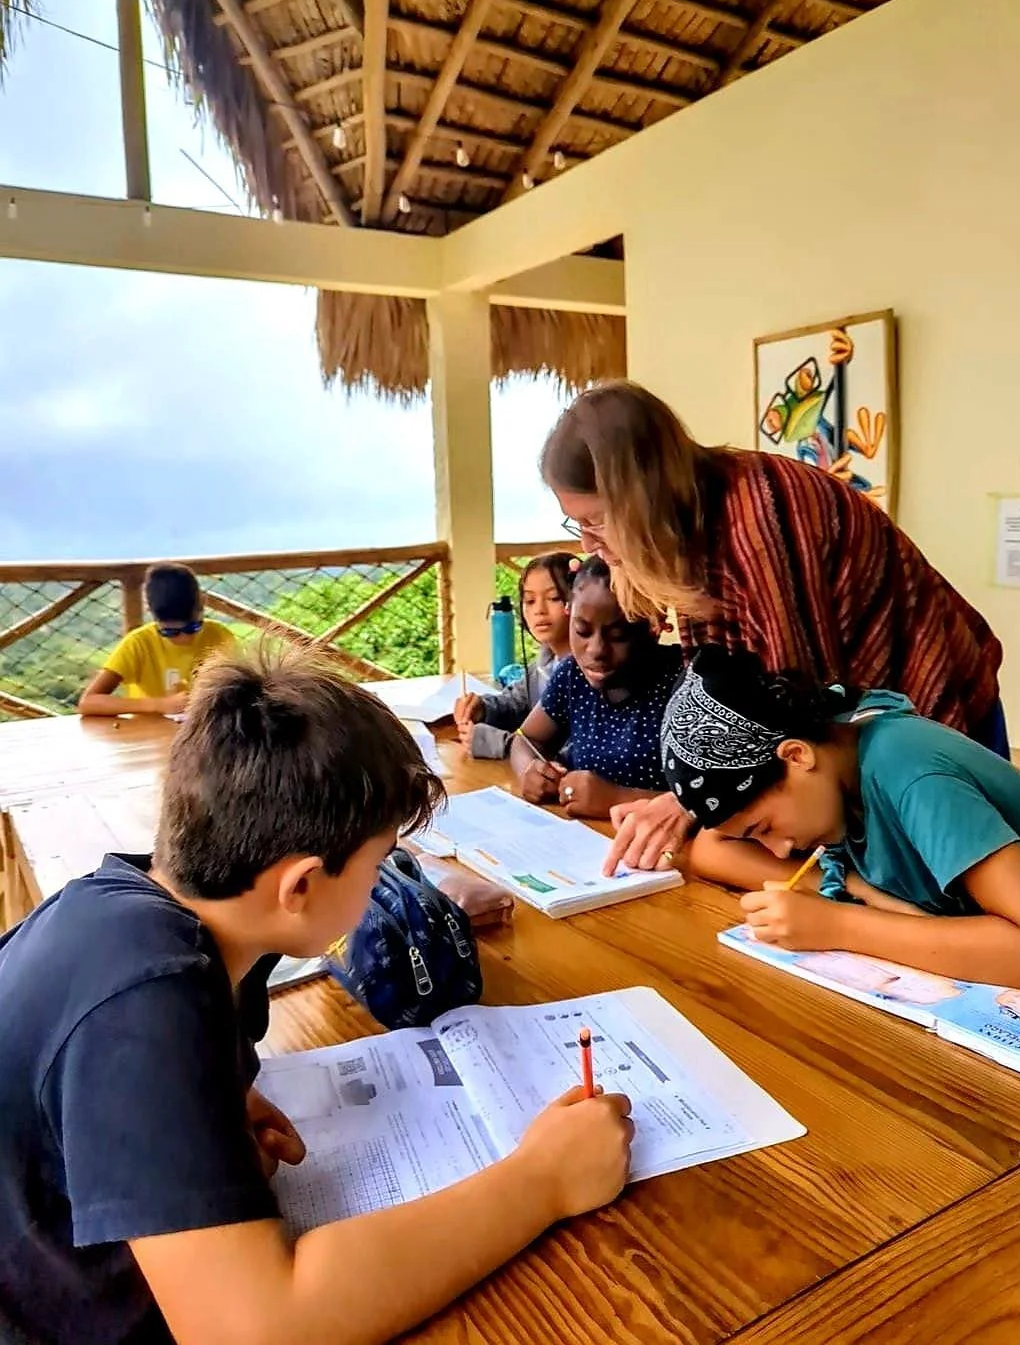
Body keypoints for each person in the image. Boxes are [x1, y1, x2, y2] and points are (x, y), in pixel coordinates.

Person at [0, 643, 633, 1345]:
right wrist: (543, 1181)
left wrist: (206, 1106)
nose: (380, 884)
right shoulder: (145, 1003)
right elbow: (257, 1329)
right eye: (376, 863)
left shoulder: (128, 905)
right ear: (299, 886)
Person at [539, 382, 1006, 872]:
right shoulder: (691, 531)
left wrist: (691, 802)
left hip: (924, 704)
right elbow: (720, 691)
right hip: (847, 736)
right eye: (578, 526)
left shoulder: (759, 521)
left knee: (954, 885)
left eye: (597, 522)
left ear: (642, 499)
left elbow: (796, 707)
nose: (589, 545)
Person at [658, 647, 1020, 991]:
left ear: (795, 755)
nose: (780, 850)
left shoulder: (911, 771)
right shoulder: (837, 759)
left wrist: (837, 924)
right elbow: (711, 848)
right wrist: (850, 885)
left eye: (764, 828)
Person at [510, 556, 683, 820]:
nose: (596, 650)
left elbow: (717, 801)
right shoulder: (573, 675)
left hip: (667, 853)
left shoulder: (682, 682)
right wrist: (530, 770)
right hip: (585, 841)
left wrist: (618, 798)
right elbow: (526, 738)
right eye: (582, 631)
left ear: (654, 627)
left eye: (618, 636)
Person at [454, 552, 577, 759]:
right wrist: (483, 709)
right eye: (529, 600)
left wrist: (500, 744)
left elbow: (571, 753)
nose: (539, 610)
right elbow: (517, 703)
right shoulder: (545, 663)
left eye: (554, 598)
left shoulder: (590, 673)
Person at [78, 562, 234, 717]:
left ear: (203, 602)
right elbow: (88, 702)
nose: (184, 638)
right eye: (170, 632)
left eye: (192, 628)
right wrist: (159, 704)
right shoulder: (139, 643)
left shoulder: (220, 636)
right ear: (151, 614)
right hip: (148, 734)